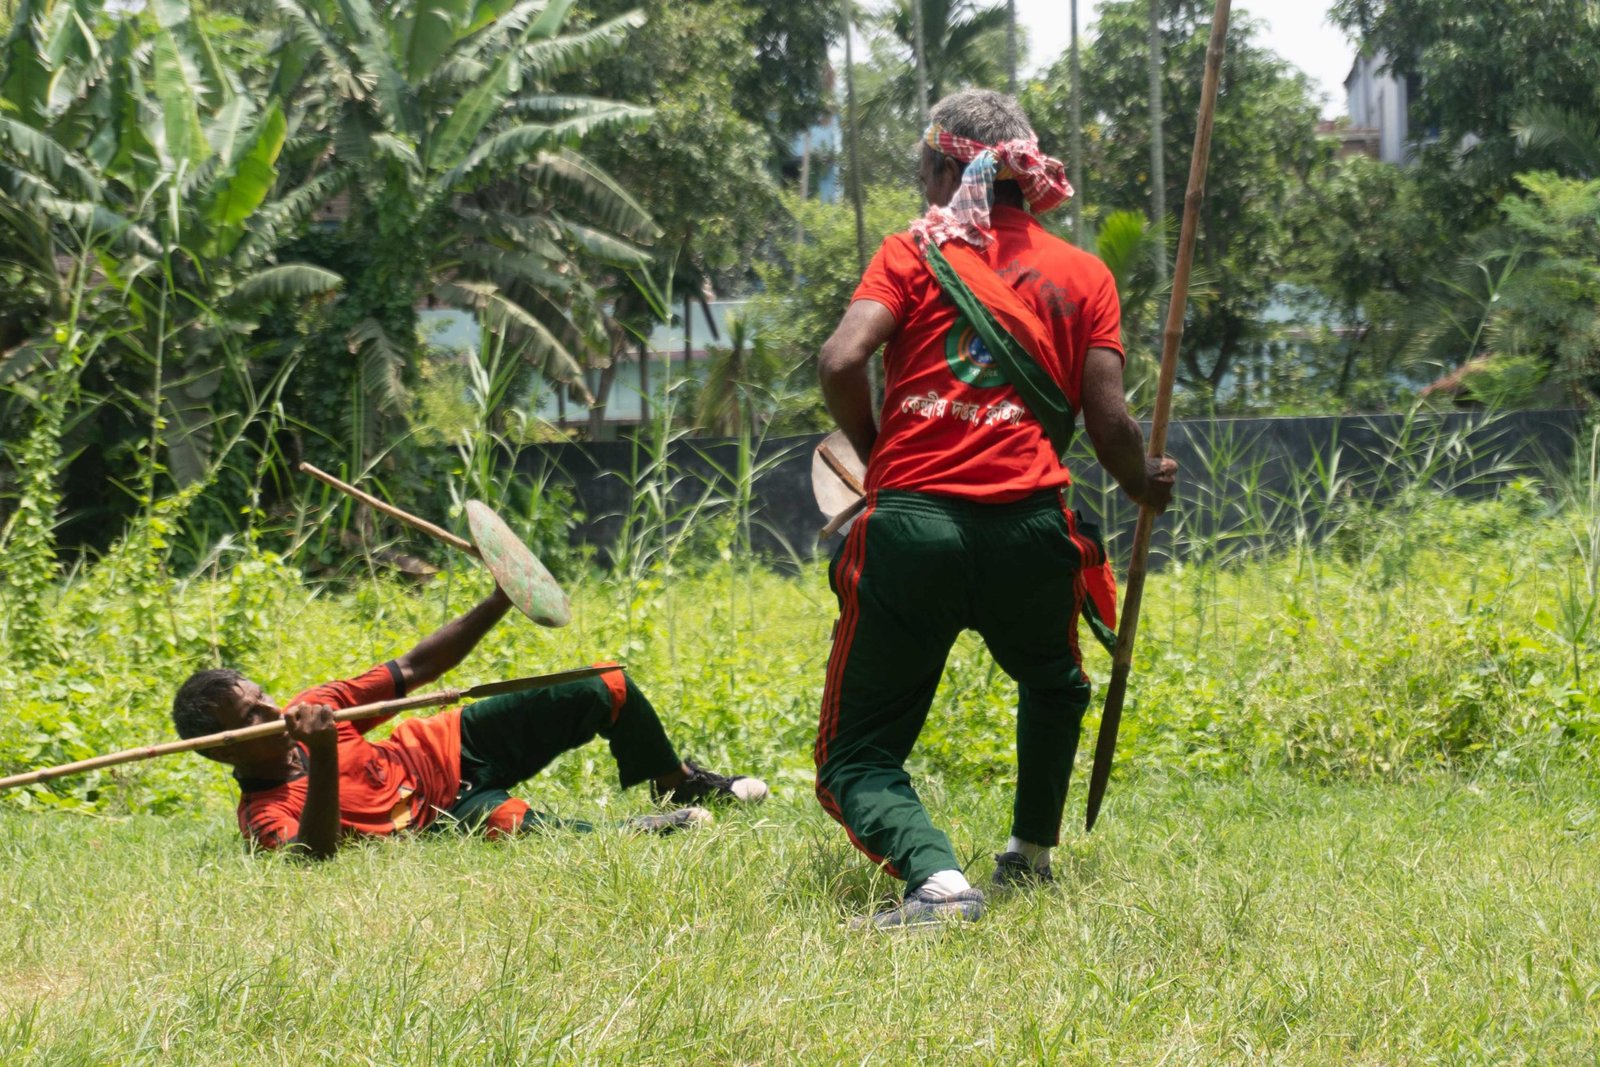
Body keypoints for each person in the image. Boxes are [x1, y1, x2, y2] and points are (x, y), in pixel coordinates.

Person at [813, 89, 1177, 929]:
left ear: (951, 170)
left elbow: (840, 360)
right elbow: (1110, 421)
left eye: (925, 170)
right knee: (1054, 683)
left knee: (854, 753)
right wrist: (1140, 483)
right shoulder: (1084, 274)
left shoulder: (911, 251)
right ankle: (1030, 853)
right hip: (1032, 530)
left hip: (912, 530)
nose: (923, 186)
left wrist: (879, 455)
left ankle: (938, 885)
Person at [172, 586, 767, 859]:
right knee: (521, 828)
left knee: (603, 684)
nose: (273, 712)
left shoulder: (317, 704)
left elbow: (416, 666)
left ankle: (676, 782)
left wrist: (501, 598)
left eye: (263, 697)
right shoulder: (262, 816)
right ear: (223, 751)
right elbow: (312, 857)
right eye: (251, 716)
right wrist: (323, 751)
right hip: (446, 815)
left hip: (451, 744)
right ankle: (643, 828)